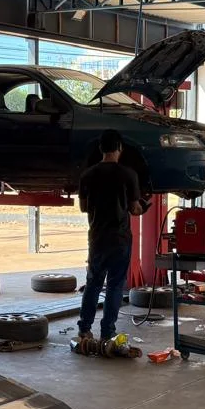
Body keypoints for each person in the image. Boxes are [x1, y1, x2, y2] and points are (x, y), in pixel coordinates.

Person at [77, 129, 150, 341]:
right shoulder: (128, 174)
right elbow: (135, 209)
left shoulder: (87, 175)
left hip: (97, 237)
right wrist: (142, 206)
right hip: (120, 239)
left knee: (93, 284)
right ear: (120, 148)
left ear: (101, 148)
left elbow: (83, 208)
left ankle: (84, 329)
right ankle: (107, 332)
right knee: (115, 285)